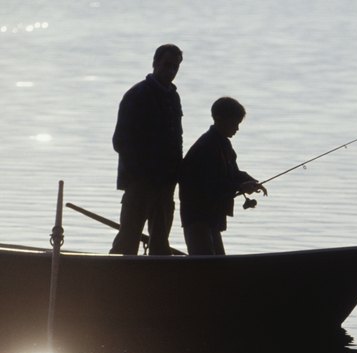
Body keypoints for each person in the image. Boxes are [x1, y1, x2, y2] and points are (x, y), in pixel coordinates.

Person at [110, 44, 183, 255]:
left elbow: (176, 138)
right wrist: (144, 173)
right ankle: (110, 280)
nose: (171, 70)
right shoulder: (137, 95)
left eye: (175, 67)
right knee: (128, 240)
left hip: (166, 185)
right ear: (155, 63)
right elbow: (120, 142)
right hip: (140, 184)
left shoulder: (173, 97)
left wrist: (174, 172)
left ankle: (156, 283)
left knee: (160, 244)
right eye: (167, 65)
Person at [179, 97, 266, 255]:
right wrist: (240, 186)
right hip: (198, 217)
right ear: (219, 119)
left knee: (217, 263)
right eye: (235, 123)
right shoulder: (206, 146)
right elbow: (210, 184)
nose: (237, 129)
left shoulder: (223, 143)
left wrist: (250, 181)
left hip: (212, 217)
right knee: (206, 266)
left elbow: (232, 173)